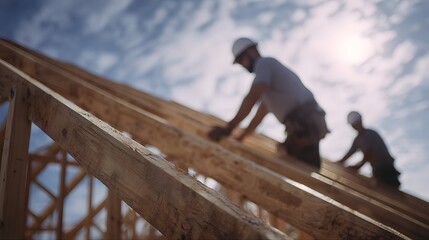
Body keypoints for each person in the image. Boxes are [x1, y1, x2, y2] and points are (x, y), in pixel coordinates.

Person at [208, 37, 329, 169]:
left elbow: (252, 96)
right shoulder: (269, 92)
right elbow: (257, 117)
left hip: (305, 123)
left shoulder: (264, 63)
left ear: (251, 52)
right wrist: (241, 137)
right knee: (287, 156)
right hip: (304, 124)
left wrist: (229, 128)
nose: (243, 65)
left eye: (241, 60)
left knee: (295, 168)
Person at [337, 111, 401, 188]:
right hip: (377, 170)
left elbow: (371, 153)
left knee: (390, 192)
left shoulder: (370, 134)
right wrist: (339, 162)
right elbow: (350, 153)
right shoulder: (358, 139)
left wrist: (358, 166)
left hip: (387, 169)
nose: (353, 126)